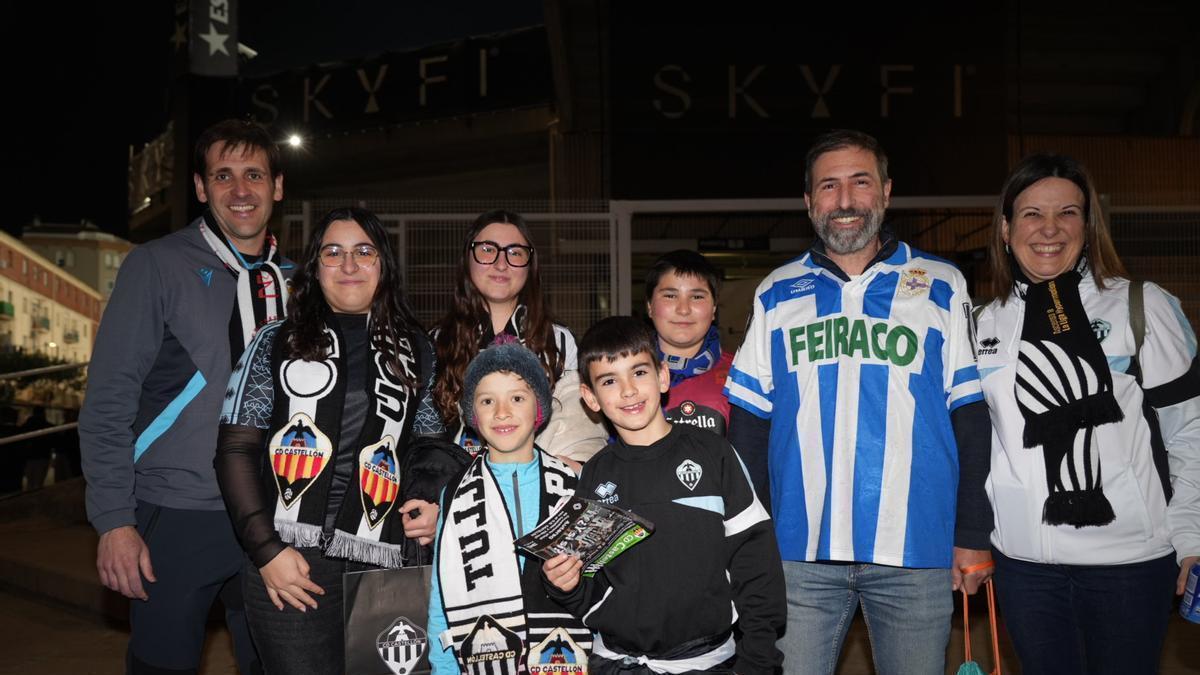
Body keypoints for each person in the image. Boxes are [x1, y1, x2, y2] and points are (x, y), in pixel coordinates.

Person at [724, 129, 993, 674]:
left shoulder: (942, 283)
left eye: (860, 182)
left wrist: (972, 534)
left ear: (886, 192)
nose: (844, 200)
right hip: (798, 553)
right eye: (829, 186)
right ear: (809, 201)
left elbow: (969, 416)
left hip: (916, 549)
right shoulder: (776, 290)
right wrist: (753, 536)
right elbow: (749, 426)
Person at [972, 153, 1200, 674]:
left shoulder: (1141, 306)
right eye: (1032, 214)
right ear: (1006, 229)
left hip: (1129, 565)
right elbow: (980, 444)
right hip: (1025, 568)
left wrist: (1192, 539)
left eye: (1067, 213)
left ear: (1088, 226)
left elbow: (1190, 432)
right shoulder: (982, 322)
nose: (1049, 229)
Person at [215, 206, 468, 673]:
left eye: (363, 252)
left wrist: (432, 501)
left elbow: (431, 444)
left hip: (384, 561)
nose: (349, 264)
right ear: (315, 268)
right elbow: (235, 450)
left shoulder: (416, 348)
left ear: (383, 265)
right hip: (292, 561)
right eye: (333, 252)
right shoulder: (275, 341)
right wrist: (266, 550)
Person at [80, 118, 292, 674]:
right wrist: (114, 521)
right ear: (200, 187)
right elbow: (107, 400)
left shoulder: (297, 280)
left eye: (254, 175)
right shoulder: (156, 265)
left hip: (276, 515)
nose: (240, 190)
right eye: (223, 175)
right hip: (177, 511)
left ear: (277, 187)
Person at [544, 316, 785, 675]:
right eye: (609, 380)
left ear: (662, 376)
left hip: (707, 664)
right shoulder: (594, 474)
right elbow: (591, 585)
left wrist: (759, 659)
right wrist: (567, 585)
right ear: (590, 397)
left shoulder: (714, 455)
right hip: (616, 664)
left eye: (639, 372)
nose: (628, 390)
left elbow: (755, 561)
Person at [427, 342, 591, 674]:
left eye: (517, 398)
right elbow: (442, 593)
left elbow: (599, 583)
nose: (502, 412)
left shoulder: (573, 485)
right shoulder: (455, 494)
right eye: (487, 401)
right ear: (473, 414)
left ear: (539, 408)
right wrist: (443, 669)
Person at [432, 210, 607, 464]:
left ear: (530, 266)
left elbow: (578, 430)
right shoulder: (436, 341)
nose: (501, 264)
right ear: (467, 259)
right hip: (456, 482)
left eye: (515, 253)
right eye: (487, 250)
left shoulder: (558, 340)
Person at [645, 250, 733, 435]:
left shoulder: (741, 375)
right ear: (650, 307)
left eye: (697, 297)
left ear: (714, 309)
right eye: (670, 296)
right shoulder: (625, 377)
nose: (683, 309)